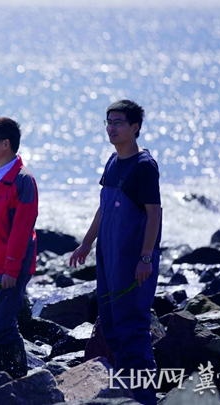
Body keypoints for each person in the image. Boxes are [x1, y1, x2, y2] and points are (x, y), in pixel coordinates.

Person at [69, 100, 162, 405]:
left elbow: (154, 212)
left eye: (118, 122)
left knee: (132, 329)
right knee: (110, 326)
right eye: (108, 122)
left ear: (135, 127)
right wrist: (86, 243)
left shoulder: (144, 166)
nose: (111, 128)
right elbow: (104, 208)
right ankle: (128, 395)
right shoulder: (112, 162)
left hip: (133, 263)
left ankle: (146, 399)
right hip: (108, 259)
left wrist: (145, 257)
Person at [0, 117, 38, 379]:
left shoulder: (23, 180)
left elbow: (22, 230)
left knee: (2, 325)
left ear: (5, 144)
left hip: (11, 269)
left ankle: (18, 379)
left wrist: (11, 270)